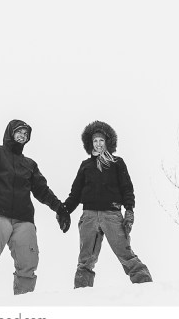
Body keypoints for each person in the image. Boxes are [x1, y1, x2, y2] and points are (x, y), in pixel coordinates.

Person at [0, 119, 71, 299]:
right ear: (10, 132)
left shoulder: (29, 164)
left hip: (24, 219)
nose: (22, 136)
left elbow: (42, 190)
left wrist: (60, 208)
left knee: (28, 262)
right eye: (19, 132)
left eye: (26, 134)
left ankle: (24, 301)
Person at [63, 120, 153, 288]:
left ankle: (146, 288)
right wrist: (64, 210)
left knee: (125, 254)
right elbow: (75, 193)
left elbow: (127, 188)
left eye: (101, 140)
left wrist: (129, 210)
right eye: (95, 141)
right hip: (89, 216)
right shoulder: (85, 166)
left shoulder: (117, 163)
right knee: (85, 260)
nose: (98, 144)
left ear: (107, 142)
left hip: (111, 215)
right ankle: (82, 295)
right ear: (90, 143)